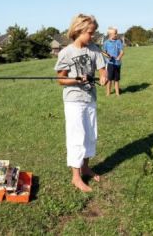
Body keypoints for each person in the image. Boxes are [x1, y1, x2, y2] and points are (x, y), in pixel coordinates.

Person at [54, 14, 107, 192]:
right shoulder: (66, 53)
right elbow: (60, 80)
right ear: (78, 31)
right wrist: (76, 80)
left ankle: (85, 167)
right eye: (90, 33)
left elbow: (102, 70)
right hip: (74, 100)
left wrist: (104, 77)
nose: (93, 36)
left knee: (91, 134)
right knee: (77, 136)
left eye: (94, 33)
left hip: (90, 98)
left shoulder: (94, 49)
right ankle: (76, 177)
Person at [103, 27, 124, 96]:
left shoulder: (118, 41)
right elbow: (104, 52)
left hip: (117, 64)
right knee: (109, 79)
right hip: (110, 63)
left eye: (116, 33)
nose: (116, 34)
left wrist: (119, 57)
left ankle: (117, 93)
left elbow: (122, 52)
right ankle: (108, 93)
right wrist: (107, 56)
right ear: (110, 34)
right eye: (115, 33)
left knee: (116, 79)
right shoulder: (106, 43)